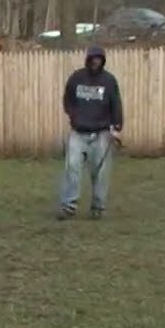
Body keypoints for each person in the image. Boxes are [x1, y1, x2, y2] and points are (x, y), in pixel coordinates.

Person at [57, 45, 123, 220]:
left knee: (100, 172)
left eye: (99, 59)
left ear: (102, 60)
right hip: (78, 132)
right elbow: (67, 100)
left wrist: (116, 128)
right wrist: (74, 115)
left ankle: (98, 207)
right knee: (72, 168)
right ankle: (68, 206)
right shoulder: (76, 78)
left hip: (101, 133)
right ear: (88, 59)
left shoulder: (109, 81)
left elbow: (116, 104)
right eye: (93, 58)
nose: (96, 61)